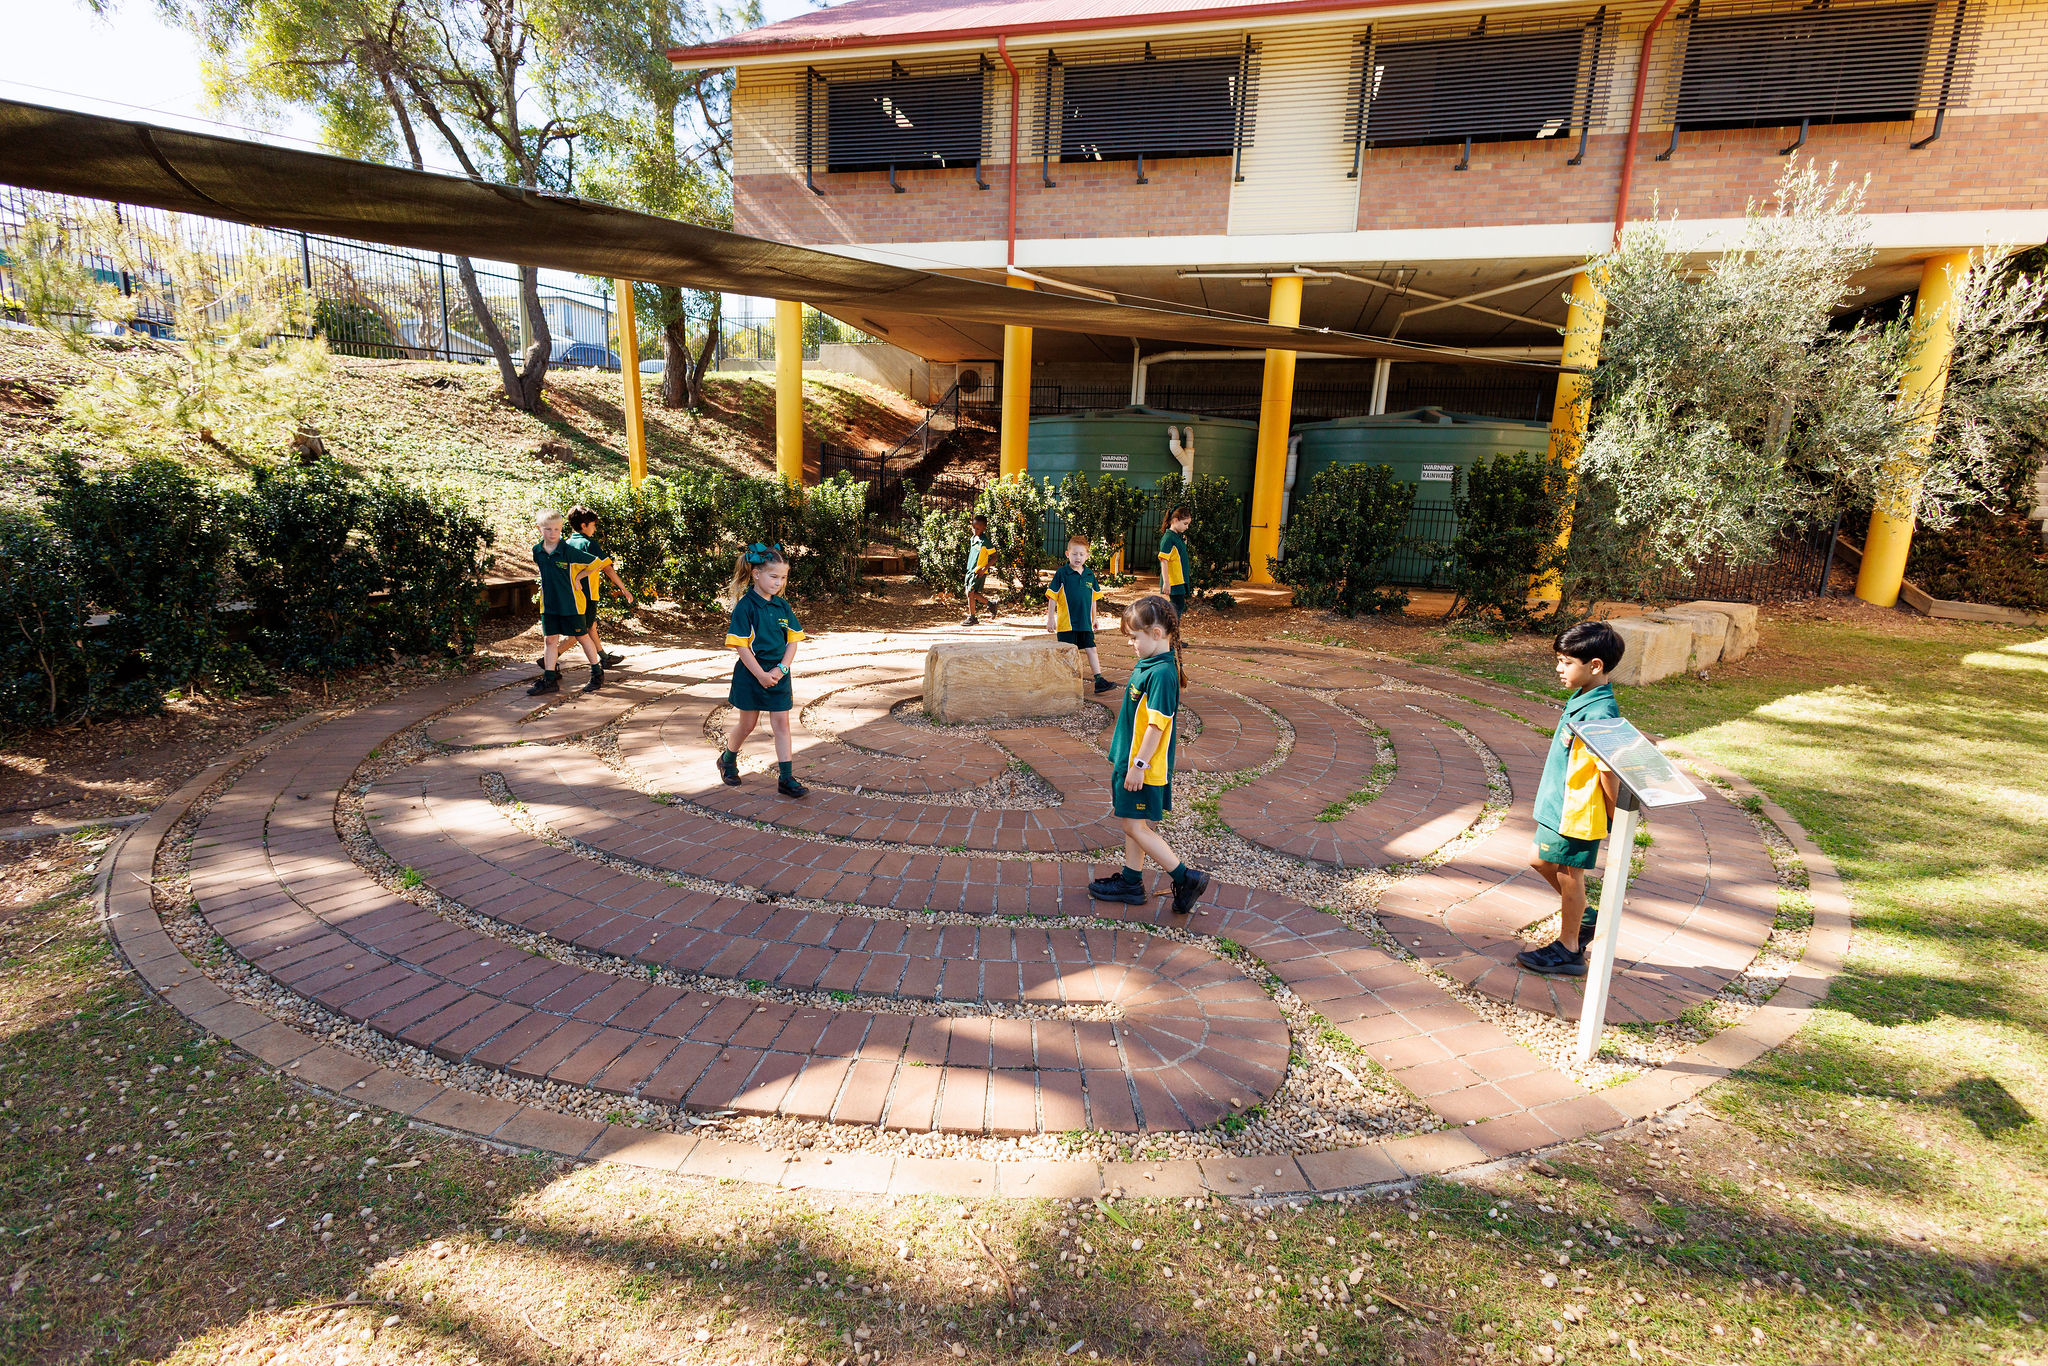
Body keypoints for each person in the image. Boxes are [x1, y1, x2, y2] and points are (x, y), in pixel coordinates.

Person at [1517, 619, 1627, 977]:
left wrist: (1614, 814)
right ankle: (1586, 917)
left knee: (1569, 875)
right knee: (1540, 859)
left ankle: (1569, 949)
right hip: (1559, 803)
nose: (1558, 668)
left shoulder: (1600, 712)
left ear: (1595, 666)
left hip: (1576, 812)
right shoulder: (1583, 696)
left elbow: (1608, 771)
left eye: (1566, 662)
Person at [1089, 595, 1209, 915]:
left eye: (1134, 638)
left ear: (1156, 634)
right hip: (1133, 760)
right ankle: (1130, 881)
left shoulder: (1163, 674)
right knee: (1137, 824)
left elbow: (1157, 727)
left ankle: (1187, 878)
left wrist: (1139, 765)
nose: (1131, 644)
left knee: (1134, 827)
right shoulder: (1153, 663)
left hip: (1143, 765)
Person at [716, 542, 808, 799]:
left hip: (778, 675)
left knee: (782, 724)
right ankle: (727, 759)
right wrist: (760, 674)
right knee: (747, 723)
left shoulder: (782, 607)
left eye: (783, 578)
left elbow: (793, 641)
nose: (778, 583)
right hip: (751, 674)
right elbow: (742, 647)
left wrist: (781, 669)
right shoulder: (746, 607)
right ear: (757, 574)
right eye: (773, 576)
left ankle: (786, 778)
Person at [528, 510, 604, 697]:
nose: (553, 533)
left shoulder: (568, 550)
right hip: (549, 605)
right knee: (550, 640)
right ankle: (549, 679)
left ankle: (596, 672)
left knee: (582, 636)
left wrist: (579, 576)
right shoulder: (537, 551)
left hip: (572, 604)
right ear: (539, 529)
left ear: (561, 529)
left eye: (557, 529)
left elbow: (596, 563)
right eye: (548, 529)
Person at [564, 506, 637, 670]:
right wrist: (624, 590)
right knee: (582, 630)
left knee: (591, 626)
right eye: (593, 525)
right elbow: (608, 568)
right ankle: (551, 656)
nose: (595, 528)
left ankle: (604, 657)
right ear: (584, 525)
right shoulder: (589, 544)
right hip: (588, 594)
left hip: (569, 594)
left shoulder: (567, 543)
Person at [1046, 533, 1116, 695]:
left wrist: (1095, 618)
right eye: (1074, 553)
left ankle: (1099, 680)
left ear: (1087, 555)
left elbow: (1093, 598)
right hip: (1066, 624)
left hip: (1085, 622)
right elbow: (1052, 596)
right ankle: (1064, 682)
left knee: (1091, 648)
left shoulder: (1089, 574)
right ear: (1067, 554)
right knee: (1067, 653)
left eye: (1081, 554)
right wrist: (1050, 618)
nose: (1078, 557)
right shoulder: (1062, 574)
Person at [1158, 504, 1194, 621]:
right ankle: (1171, 637)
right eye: (1185, 524)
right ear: (1175, 520)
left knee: (1177, 608)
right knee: (1176, 608)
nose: (1187, 527)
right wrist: (1166, 583)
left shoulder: (1176, 537)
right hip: (1174, 581)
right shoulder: (1168, 538)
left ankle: (1172, 637)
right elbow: (1164, 561)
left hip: (1179, 580)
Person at [961, 513, 995, 626]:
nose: (975, 530)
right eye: (974, 528)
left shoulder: (985, 542)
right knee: (970, 593)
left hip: (978, 571)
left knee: (970, 593)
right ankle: (990, 604)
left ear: (984, 528)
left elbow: (995, 556)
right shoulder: (973, 539)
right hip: (970, 570)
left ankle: (972, 617)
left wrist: (984, 569)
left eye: (978, 528)